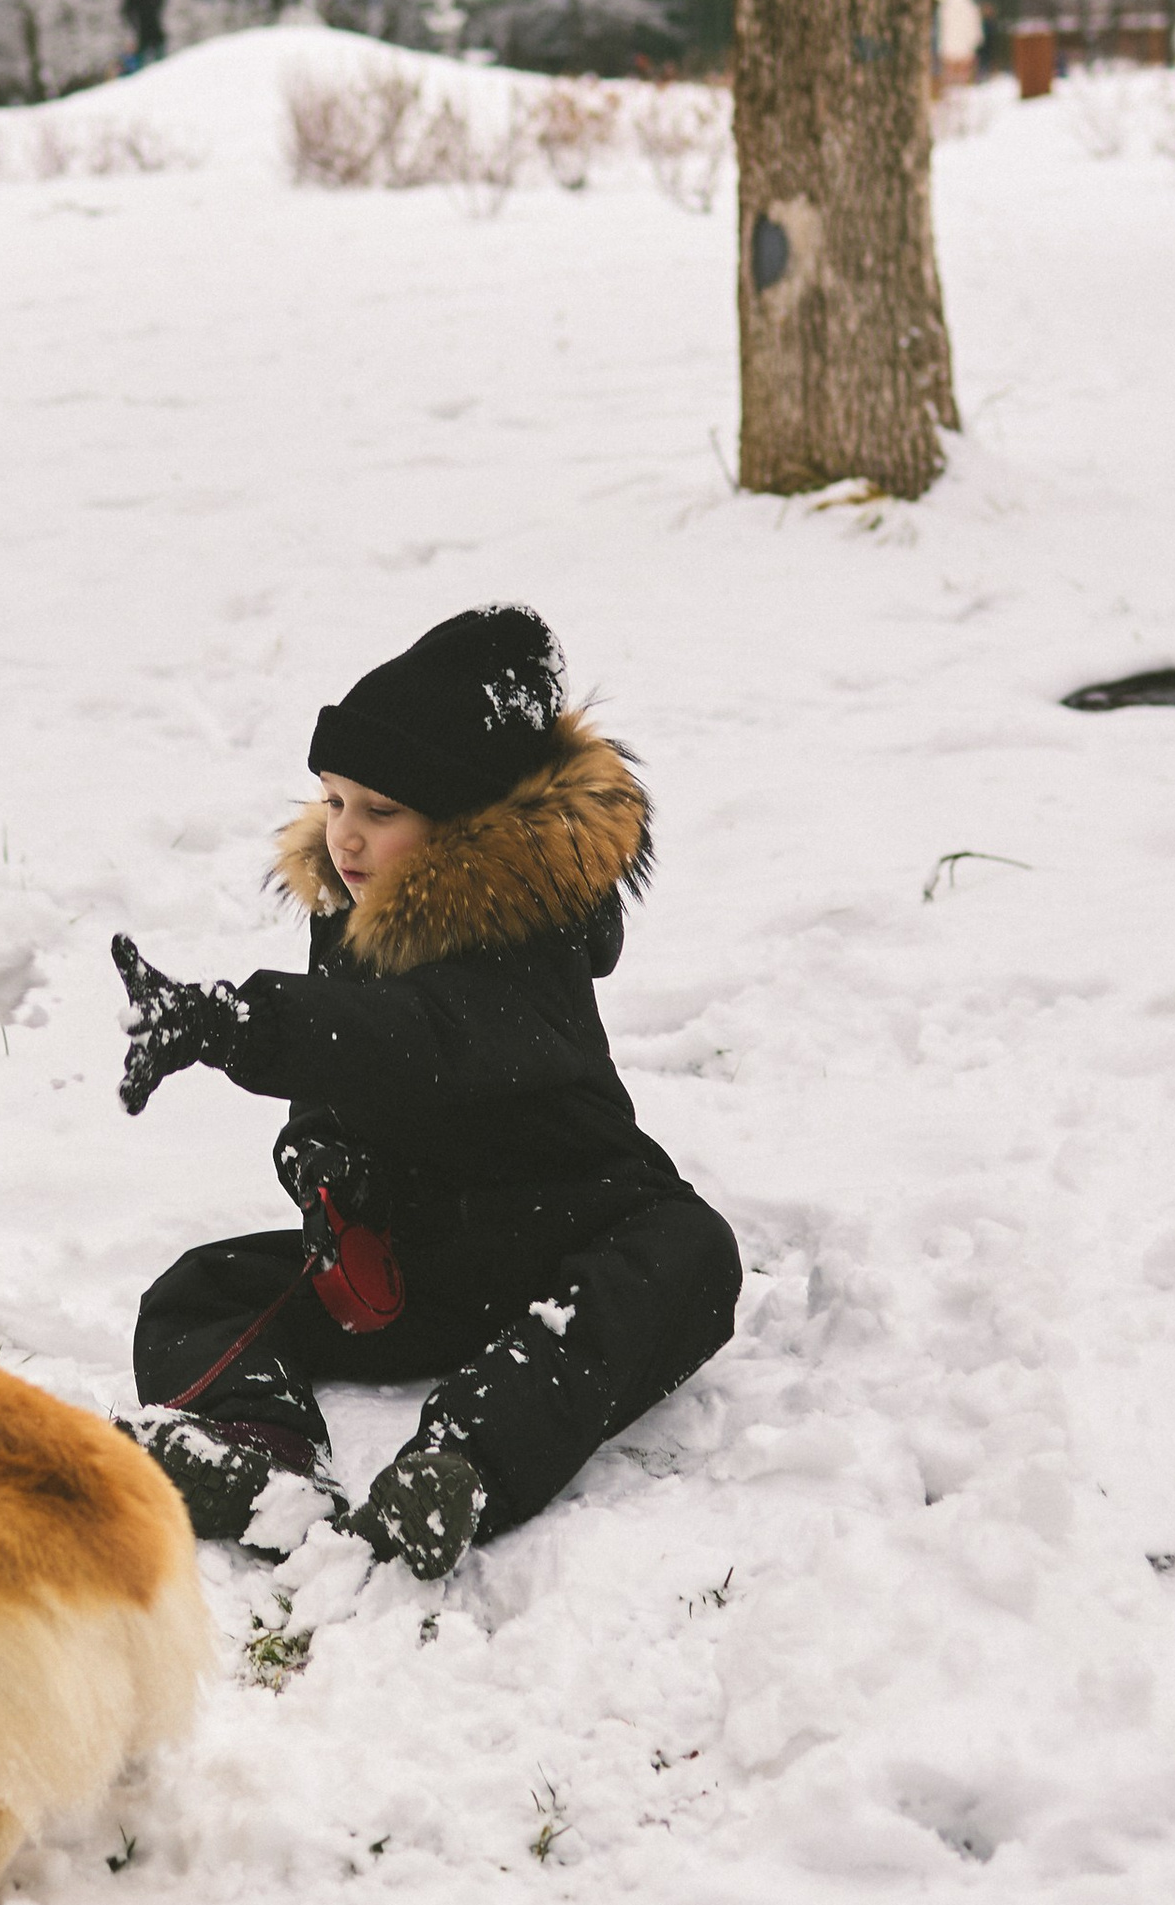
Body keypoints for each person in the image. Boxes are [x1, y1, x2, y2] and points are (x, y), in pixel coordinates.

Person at [111, 605, 740, 1582]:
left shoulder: (525, 937)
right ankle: (257, 1455)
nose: (345, 838)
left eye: (380, 811)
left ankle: (458, 1468)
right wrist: (325, 1176)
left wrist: (245, 1026)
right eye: (333, 801)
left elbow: (423, 1038)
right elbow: (341, 1088)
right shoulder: (351, 917)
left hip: (571, 1230)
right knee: (204, 1288)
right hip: (429, 1262)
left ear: (460, 828)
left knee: (689, 1254)